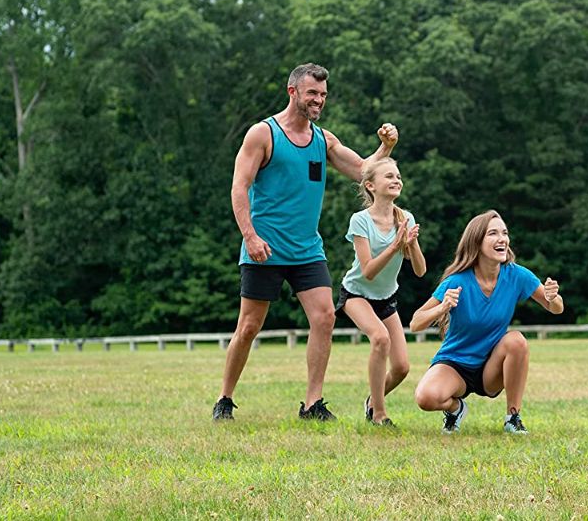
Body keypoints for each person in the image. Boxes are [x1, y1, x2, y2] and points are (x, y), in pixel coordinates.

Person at [213, 63, 398, 422]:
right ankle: (225, 398)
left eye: (323, 95)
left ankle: (312, 404)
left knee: (325, 316)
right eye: (312, 93)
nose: (319, 100)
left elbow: (363, 170)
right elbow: (239, 187)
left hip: (306, 250)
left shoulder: (322, 140)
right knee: (249, 327)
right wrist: (249, 236)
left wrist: (385, 147)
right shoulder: (262, 135)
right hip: (264, 248)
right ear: (293, 92)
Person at [409, 210, 563, 435]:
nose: (502, 238)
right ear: (477, 241)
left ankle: (513, 417)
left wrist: (552, 297)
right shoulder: (457, 281)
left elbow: (556, 308)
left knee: (516, 341)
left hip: (491, 367)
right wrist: (442, 308)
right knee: (426, 398)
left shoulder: (517, 275)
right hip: (456, 364)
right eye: (493, 233)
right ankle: (456, 409)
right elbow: (415, 323)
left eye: (504, 233)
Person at [335, 157, 427, 427]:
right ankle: (380, 415)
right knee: (380, 338)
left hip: (386, 297)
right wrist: (395, 245)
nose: (396, 180)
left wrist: (411, 243)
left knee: (401, 368)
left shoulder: (405, 217)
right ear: (370, 185)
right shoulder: (360, 221)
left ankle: (371, 402)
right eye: (389, 176)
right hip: (356, 294)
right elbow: (368, 272)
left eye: (398, 176)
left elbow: (420, 270)